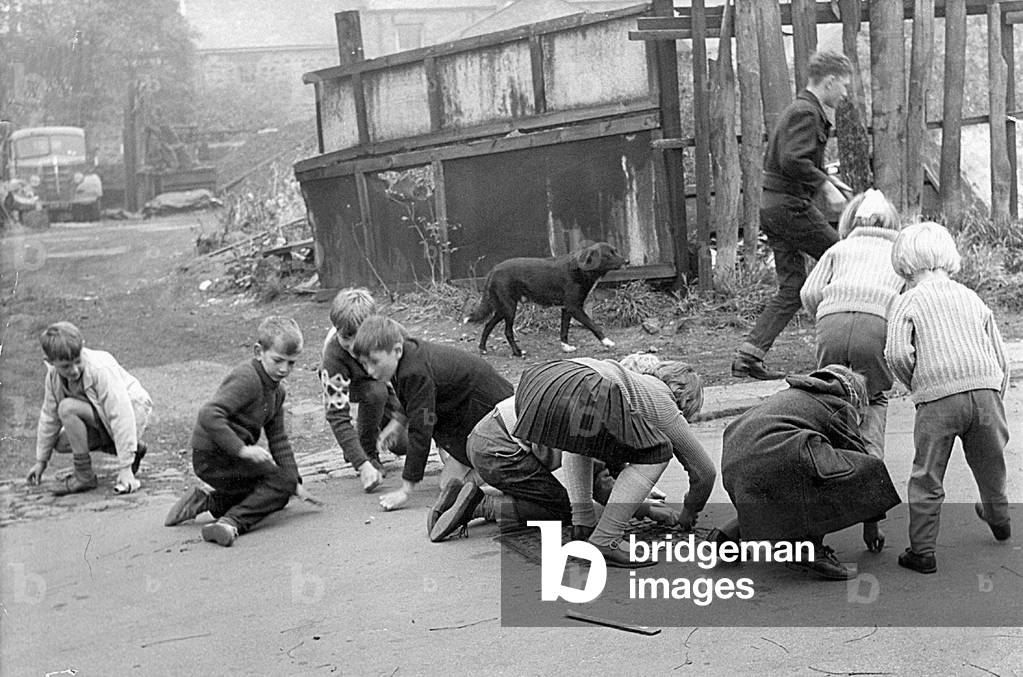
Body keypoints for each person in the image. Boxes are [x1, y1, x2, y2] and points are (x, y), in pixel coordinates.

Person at [459, 354, 701, 542]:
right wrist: (646, 508)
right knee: (562, 510)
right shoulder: (609, 412)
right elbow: (598, 480)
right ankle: (483, 505)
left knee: (567, 502)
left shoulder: (602, 386)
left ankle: (463, 495)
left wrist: (638, 493)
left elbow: (606, 470)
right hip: (498, 449)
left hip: (487, 436)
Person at [886, 221, 1011, 574]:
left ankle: (922, 552)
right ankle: (999, 517)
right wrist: (993, 393)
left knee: (927, 474)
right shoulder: (971, 296)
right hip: (986, 392)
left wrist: (918, 384)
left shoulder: (907, 300)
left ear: (905, 263)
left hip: (938, 399)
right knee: (991, 465)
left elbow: (896, 352)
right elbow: (999, 356)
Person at [510, 356, 714, 568]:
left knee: (581, 440)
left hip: (539, 378)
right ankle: (606, 539)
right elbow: (704, 473)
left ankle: (583, 522)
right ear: (685, 399)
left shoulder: (629, 381)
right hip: (581, 384)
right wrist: (690, 512)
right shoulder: (663, 402)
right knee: (657, 451)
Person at [732, 49, 854, 380]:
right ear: (829, 82)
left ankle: (749, 355)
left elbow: (793, 157)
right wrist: (824, 185)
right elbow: (791, 160)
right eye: (843, 85)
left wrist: (828, 176)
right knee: (844, 262)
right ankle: (846, 352)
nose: (844, 93)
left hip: (773, 205)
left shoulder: (802, 109)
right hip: (789, 206)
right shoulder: (807, 112)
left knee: (793, 286)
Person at [718, 365, 901, 580]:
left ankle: (724, 538)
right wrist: (871, 526)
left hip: (734, 465)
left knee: (785, 479)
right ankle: (809, 549)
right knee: (861, 469)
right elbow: (862, 467)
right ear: (856, 396)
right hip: (779, 458)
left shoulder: (792, 394)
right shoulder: (840, 406)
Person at [799, 188, 904, 551]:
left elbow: (809, 292)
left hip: (832, 321)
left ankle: (814, 527)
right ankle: (870, 525)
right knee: (872, 405)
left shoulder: (838, 249)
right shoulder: (898, 253)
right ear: (891, 221)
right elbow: (907, 300)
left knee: (827, 407)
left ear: (850, 219)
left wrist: (829, 312)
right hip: (876, 325)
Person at [164, 317, 320, 547]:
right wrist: (243, 449)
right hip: (212, 455)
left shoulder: (278, 392)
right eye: (278, 360)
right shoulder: (248, 377)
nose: (284, 369)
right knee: (275, 489)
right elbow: (209, 414)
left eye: (291, 363)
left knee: (275, 491)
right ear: (259, 352)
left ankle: (208, 502)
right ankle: (230, 523)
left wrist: (294, 481)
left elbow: (278, 439)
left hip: (232, 458)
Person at [351, 315, 514, 515]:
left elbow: (422, 429)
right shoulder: (404, 357)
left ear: (396, 350)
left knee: (450, 486)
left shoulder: (414, 372)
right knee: (450, 475)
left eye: (374, 362)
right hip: (467, 415)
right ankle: (484, 467)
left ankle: (499, 478)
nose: (370, 370)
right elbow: (414, 401)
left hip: (494, 417)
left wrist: (406, 489)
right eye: (364, 364)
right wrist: (396, 423)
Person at [27, 322, 152, 495]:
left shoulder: (99, 369)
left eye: (78, 361)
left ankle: (84, 475)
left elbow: (121, 414)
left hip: (133, 410)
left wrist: (125, 468)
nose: (75, 370)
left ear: (82, 348)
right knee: (60, 442)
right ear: (50, 362)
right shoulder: (53, 378)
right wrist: (41, 461)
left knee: (68, 408)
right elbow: (49, 417)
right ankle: (133, 450)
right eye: (66, 366)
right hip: (103, 417)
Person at [320, 288, 405, 493]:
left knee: (403, 445)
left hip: (381, 378)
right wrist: (363, 464)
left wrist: (400, 419)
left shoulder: (393, 334)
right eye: (345, 337)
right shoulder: (333, 356)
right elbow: (337, 416)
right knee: (375, 392)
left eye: (357, 338)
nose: (351, 346)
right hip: (356, 382)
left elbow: (416, 378)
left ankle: (358, 445)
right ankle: (367, 452)